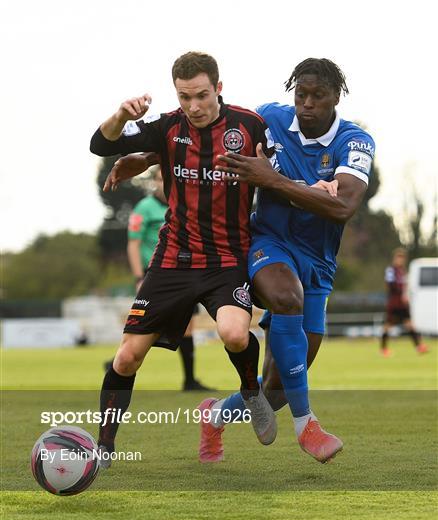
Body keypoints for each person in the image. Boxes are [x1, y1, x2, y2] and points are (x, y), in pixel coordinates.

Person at [105, 58, 366, 465]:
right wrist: (148, 157)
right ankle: (307, 424)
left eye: (318, 96)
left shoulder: (355, 141)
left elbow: (343, 207)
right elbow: (206, 140)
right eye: (301, 95)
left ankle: (215, 415)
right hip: (268, 243)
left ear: (338, 97)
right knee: (284, 296)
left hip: (320, 261)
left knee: (276, 389)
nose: (307, 105)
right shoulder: (269, 118)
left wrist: (271, 178)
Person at [89, 51, 277, 468]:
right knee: (126, 358)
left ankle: (250, 391)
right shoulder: (168, 127)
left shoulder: (250, 126)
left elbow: (283, 168)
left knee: (233, 333)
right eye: (185, 96)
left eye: (202, 95)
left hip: (227, 258)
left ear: (219, 89)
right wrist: (122, 114)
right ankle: (104, 446)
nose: (194, 106)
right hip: (173, 259)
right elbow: (100, 144)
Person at [127, 165, 212, 391]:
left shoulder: (184, 205)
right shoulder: (144, 208)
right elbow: (133, 243)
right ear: (154, 182)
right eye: (159, 178)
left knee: (187, 327)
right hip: (154, 273)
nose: (163, 182)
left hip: (183, 270)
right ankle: (120, 363)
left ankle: (190, 380)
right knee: (148, 326)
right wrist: (138, 277)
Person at [380, 247, 429, 357]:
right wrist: (399, 294)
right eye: (399, 258)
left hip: (402, 303)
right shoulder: (391, 270)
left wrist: (405, 296)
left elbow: (405, 286)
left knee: (409, 324)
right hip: (394, 302)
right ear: (395, 258)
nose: (400, 260)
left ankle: (419, 346)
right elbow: (390, 285)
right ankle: (383, 349)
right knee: (388, 326)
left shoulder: (402, 271)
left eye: (402, 258)